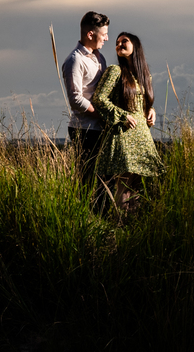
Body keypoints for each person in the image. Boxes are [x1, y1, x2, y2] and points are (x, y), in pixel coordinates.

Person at [93, 32, 163, 209]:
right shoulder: (115, 71)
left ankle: (132, 229)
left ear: (136, 46)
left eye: (124, 41)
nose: (119, 44)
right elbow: (99, 99)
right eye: (117, 43)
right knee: (124, 188)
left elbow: (142, 104)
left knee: (136, 188)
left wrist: (151, 110)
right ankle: (120, 228)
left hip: (142, 137)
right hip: (124, 136)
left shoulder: (144, 78)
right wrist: (122, 116)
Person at [62, 11, 110, 183]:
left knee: (102, 179)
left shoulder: (99, 58)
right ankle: (86, 210)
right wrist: (102, 114)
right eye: (104, 34)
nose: (107, 38)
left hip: (99, 127)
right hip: (84, 129)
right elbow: (75, 99)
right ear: (91, 34)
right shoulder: (74, 60)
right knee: (88, 179)